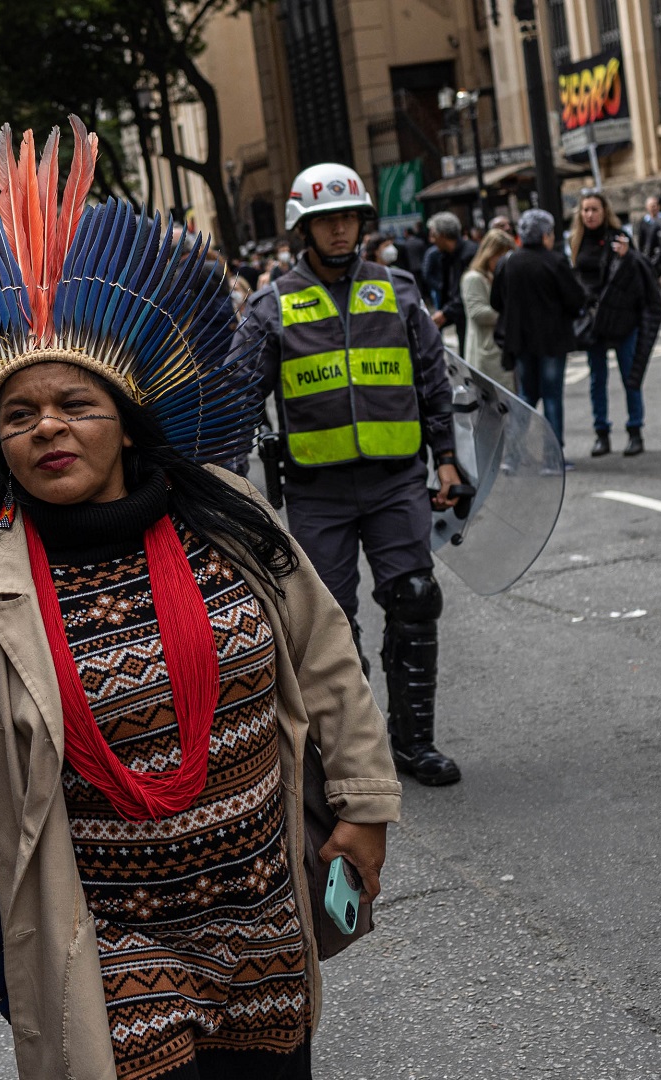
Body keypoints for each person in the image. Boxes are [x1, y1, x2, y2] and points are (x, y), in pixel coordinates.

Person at [0, 120, 400, 1079]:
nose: (49, 430)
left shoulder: (229, 514)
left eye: (76, 406)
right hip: (106, 951)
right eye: (21, 415)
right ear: (0, 444)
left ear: (125, 423)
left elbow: (327, 657)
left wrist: (362, 810)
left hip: (263, 919)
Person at [235, 160, 465, 785]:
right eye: (325, 221)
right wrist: (230, 484)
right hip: (318, 489)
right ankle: (357, 758)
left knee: (415, 599)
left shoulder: (399, 289)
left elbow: (432, 381)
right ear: (302, 231)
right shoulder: (271, 305)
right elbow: (236, 395)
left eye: (349, 218)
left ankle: (416, 744)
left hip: (396, 480)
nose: (340, 231)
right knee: (330, 625)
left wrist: (446, 458)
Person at [491, 209, 586, 461]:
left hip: (520, 339)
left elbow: (496, 301)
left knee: (526, 395)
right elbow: (575, 298)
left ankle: (513, 453)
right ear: (545, 234)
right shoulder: (554, 261)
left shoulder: (509, 262)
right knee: (552, 395)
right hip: (552, 338)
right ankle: (553, 456)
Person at [579, 231, 661, 457]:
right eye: (586, 210)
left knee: (630, 375)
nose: (590, 214)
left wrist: (629, 256)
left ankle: (635, 431)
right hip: (595, 322)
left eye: (595, 209)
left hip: (623, 320)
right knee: (597, 379)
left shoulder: (617, 237)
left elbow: (643, 272)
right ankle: (601, 433)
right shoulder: (579, 240)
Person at [421, 211, 478, 355]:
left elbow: (466, 293)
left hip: (471, 320)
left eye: (434, 235)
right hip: (460, 318)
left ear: (443, 235)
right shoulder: (447, 256)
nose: (432, 240)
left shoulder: (469, 254)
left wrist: (445, 312)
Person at [461, 228, 516, 374]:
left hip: (499, 350)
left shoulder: (498, 275)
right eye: (500, 256)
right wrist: (510, 316)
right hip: (485, 351)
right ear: (489, 254)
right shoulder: (474, 278)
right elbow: (478, 312)